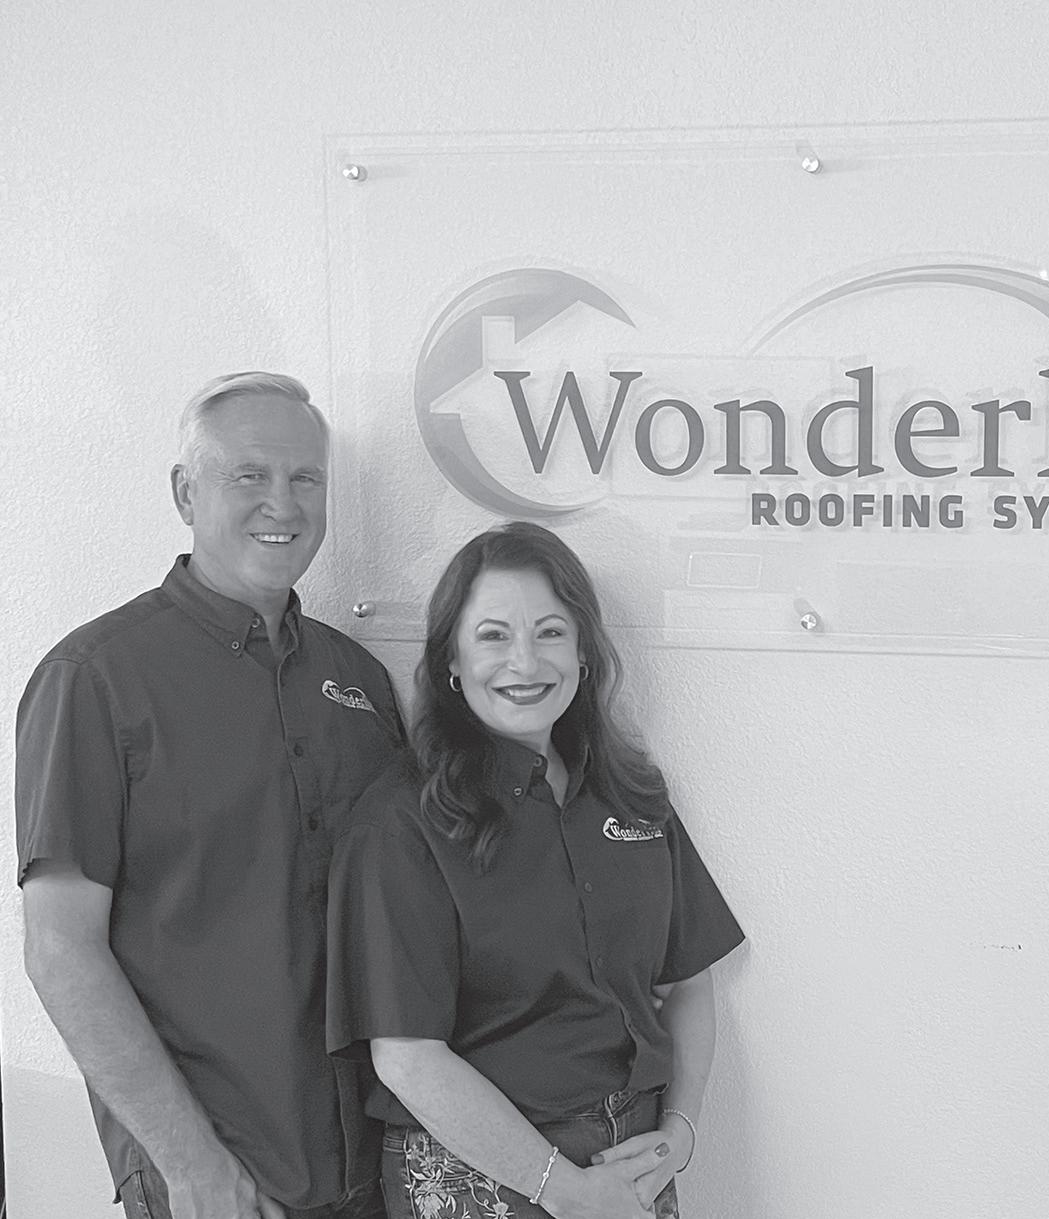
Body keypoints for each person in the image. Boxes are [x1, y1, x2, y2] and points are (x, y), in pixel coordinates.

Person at [16, 372, 406, 1219]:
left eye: (305, 477)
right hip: (217, 1182)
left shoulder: (360, 680)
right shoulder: (95, 679)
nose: (283, 502)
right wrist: (192, 1166)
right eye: (249, 474)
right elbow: (61, 949)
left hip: (370, 1169)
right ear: (185, 492)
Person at [326, 521, 744, 1219]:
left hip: (632, 1169)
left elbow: (686, 982)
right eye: (493, 635)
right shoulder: (400, 822)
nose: (524, 661)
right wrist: (569, 1192)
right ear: (451, 659)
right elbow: (407, 1057)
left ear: (583, 651)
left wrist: (681, 1132)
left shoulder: (630, 793)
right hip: (480, 1175)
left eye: (550, 632)